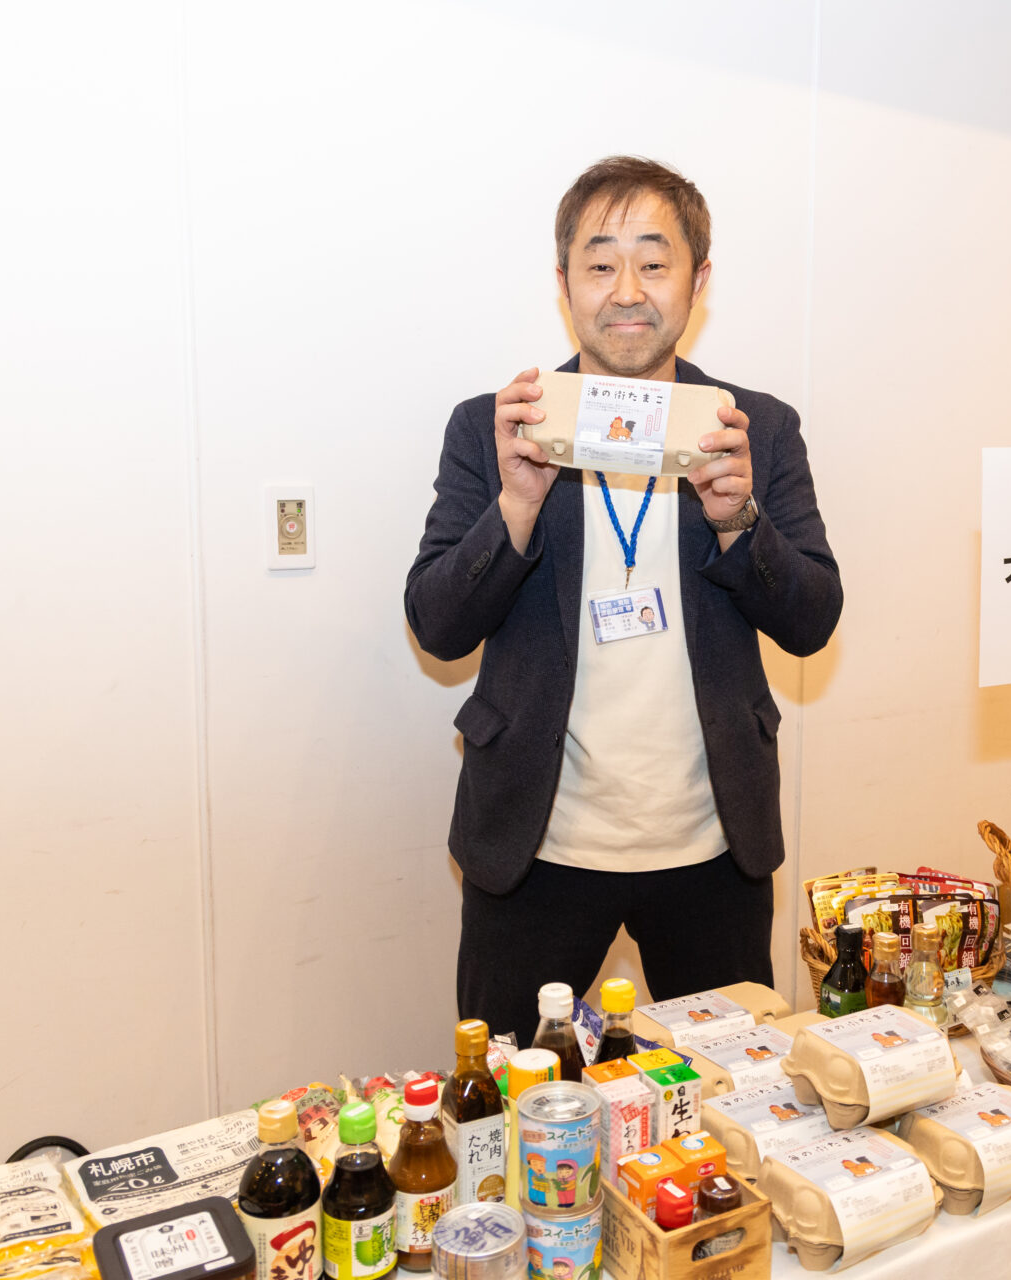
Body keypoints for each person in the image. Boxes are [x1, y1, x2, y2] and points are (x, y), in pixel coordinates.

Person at [405, 156, 842, 1045]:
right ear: (564, 283)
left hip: (712, 840)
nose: (628, 290)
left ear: (699, 281)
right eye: (601, 264)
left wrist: (739, 520)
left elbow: (812, 621)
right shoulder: (496, 426)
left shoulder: (753, 428)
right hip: (537, 841)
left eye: (655, 261)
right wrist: (515, 506)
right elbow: (437, 626)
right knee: (513, 1090)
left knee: (728, 1090)